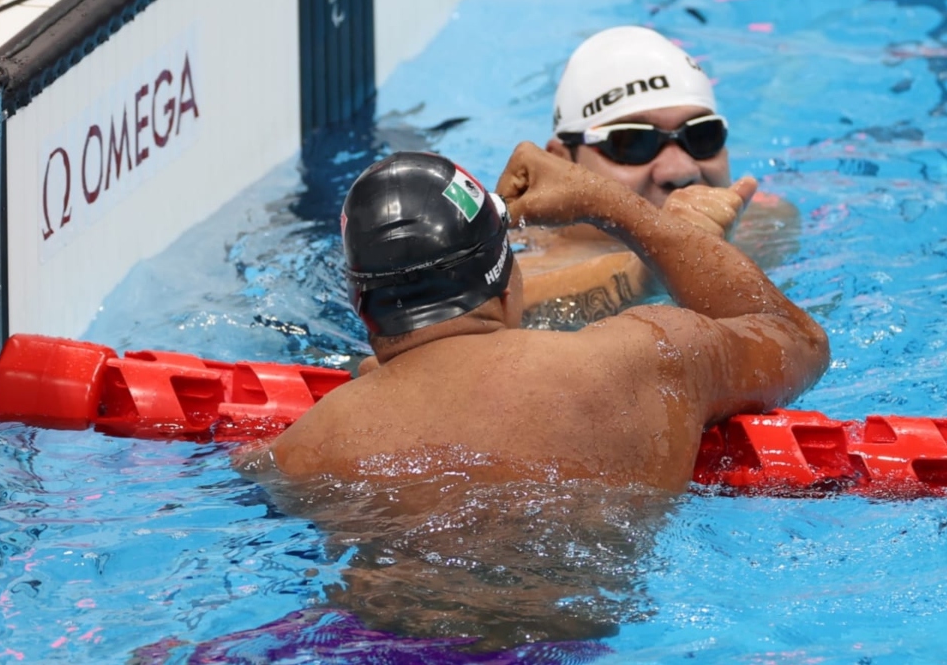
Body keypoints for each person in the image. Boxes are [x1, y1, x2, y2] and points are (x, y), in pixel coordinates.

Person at [263, 143, 828, 492]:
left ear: (363, 310)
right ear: (511, 281)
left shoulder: (298, 452)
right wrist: (614, 207)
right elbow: (796, 339)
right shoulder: (645, 359)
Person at [515, 25, 802, 326]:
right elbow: (494, 317)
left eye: (702, 135)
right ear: (561, 162)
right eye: (633, 142)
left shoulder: (765, 224)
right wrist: (656, 266)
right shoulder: (505, 260)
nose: (681, 170)